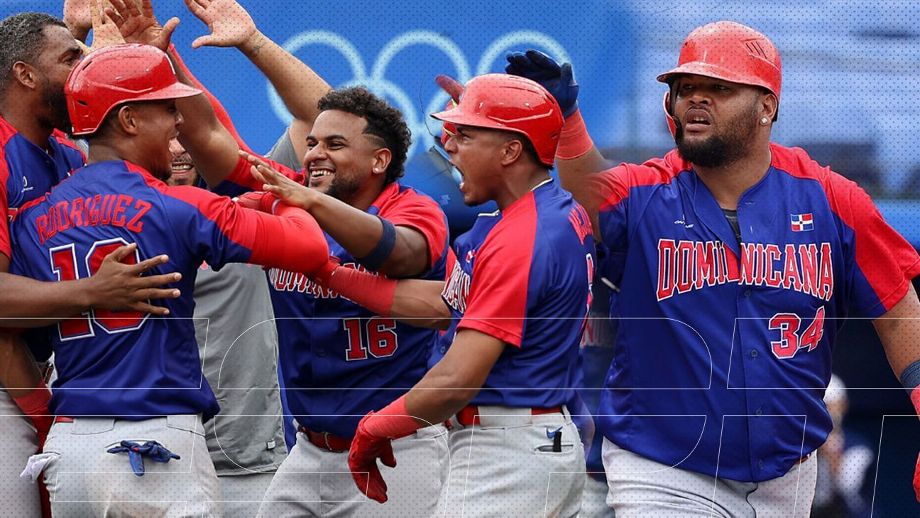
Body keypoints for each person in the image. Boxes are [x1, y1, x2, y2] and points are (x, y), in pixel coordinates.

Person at [505, 21, 920, 516]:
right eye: (686, 89)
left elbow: (898, 313)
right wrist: (569, 121)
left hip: (787, 473)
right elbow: (589, 195)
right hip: (662, 466)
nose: (696, 100)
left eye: (718, 88)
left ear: (767, 105)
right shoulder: (646, 192)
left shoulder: (833, 201)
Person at [8, 43, 329, 517]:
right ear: (130, 120)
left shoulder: (32, 217)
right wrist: (276, 197)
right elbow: (310, 247)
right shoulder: (178, 205)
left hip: (69, 445)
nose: (179, 123)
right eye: (167, 109)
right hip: (154, 442)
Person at [254, 73, 595, 516]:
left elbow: (457, 378)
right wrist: (330, 273)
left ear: (510, 151)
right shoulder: (543, 214)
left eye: (466, 135)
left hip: (507, 447)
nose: (448, 145)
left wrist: (375, 428)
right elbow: (437, 306)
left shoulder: (523, 235)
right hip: (524, 438)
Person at [0, 9, 180, 516]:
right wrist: (92, 293)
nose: (85, 66)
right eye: (72, 57)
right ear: (25, 75)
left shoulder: (67, 153)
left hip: (53, 383)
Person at [168, 139, 288, 517]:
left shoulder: (243, 210)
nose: (178, 148)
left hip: (244, 457)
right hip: (154, 449)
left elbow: (309, 123)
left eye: (184, 133)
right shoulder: (102, 217)